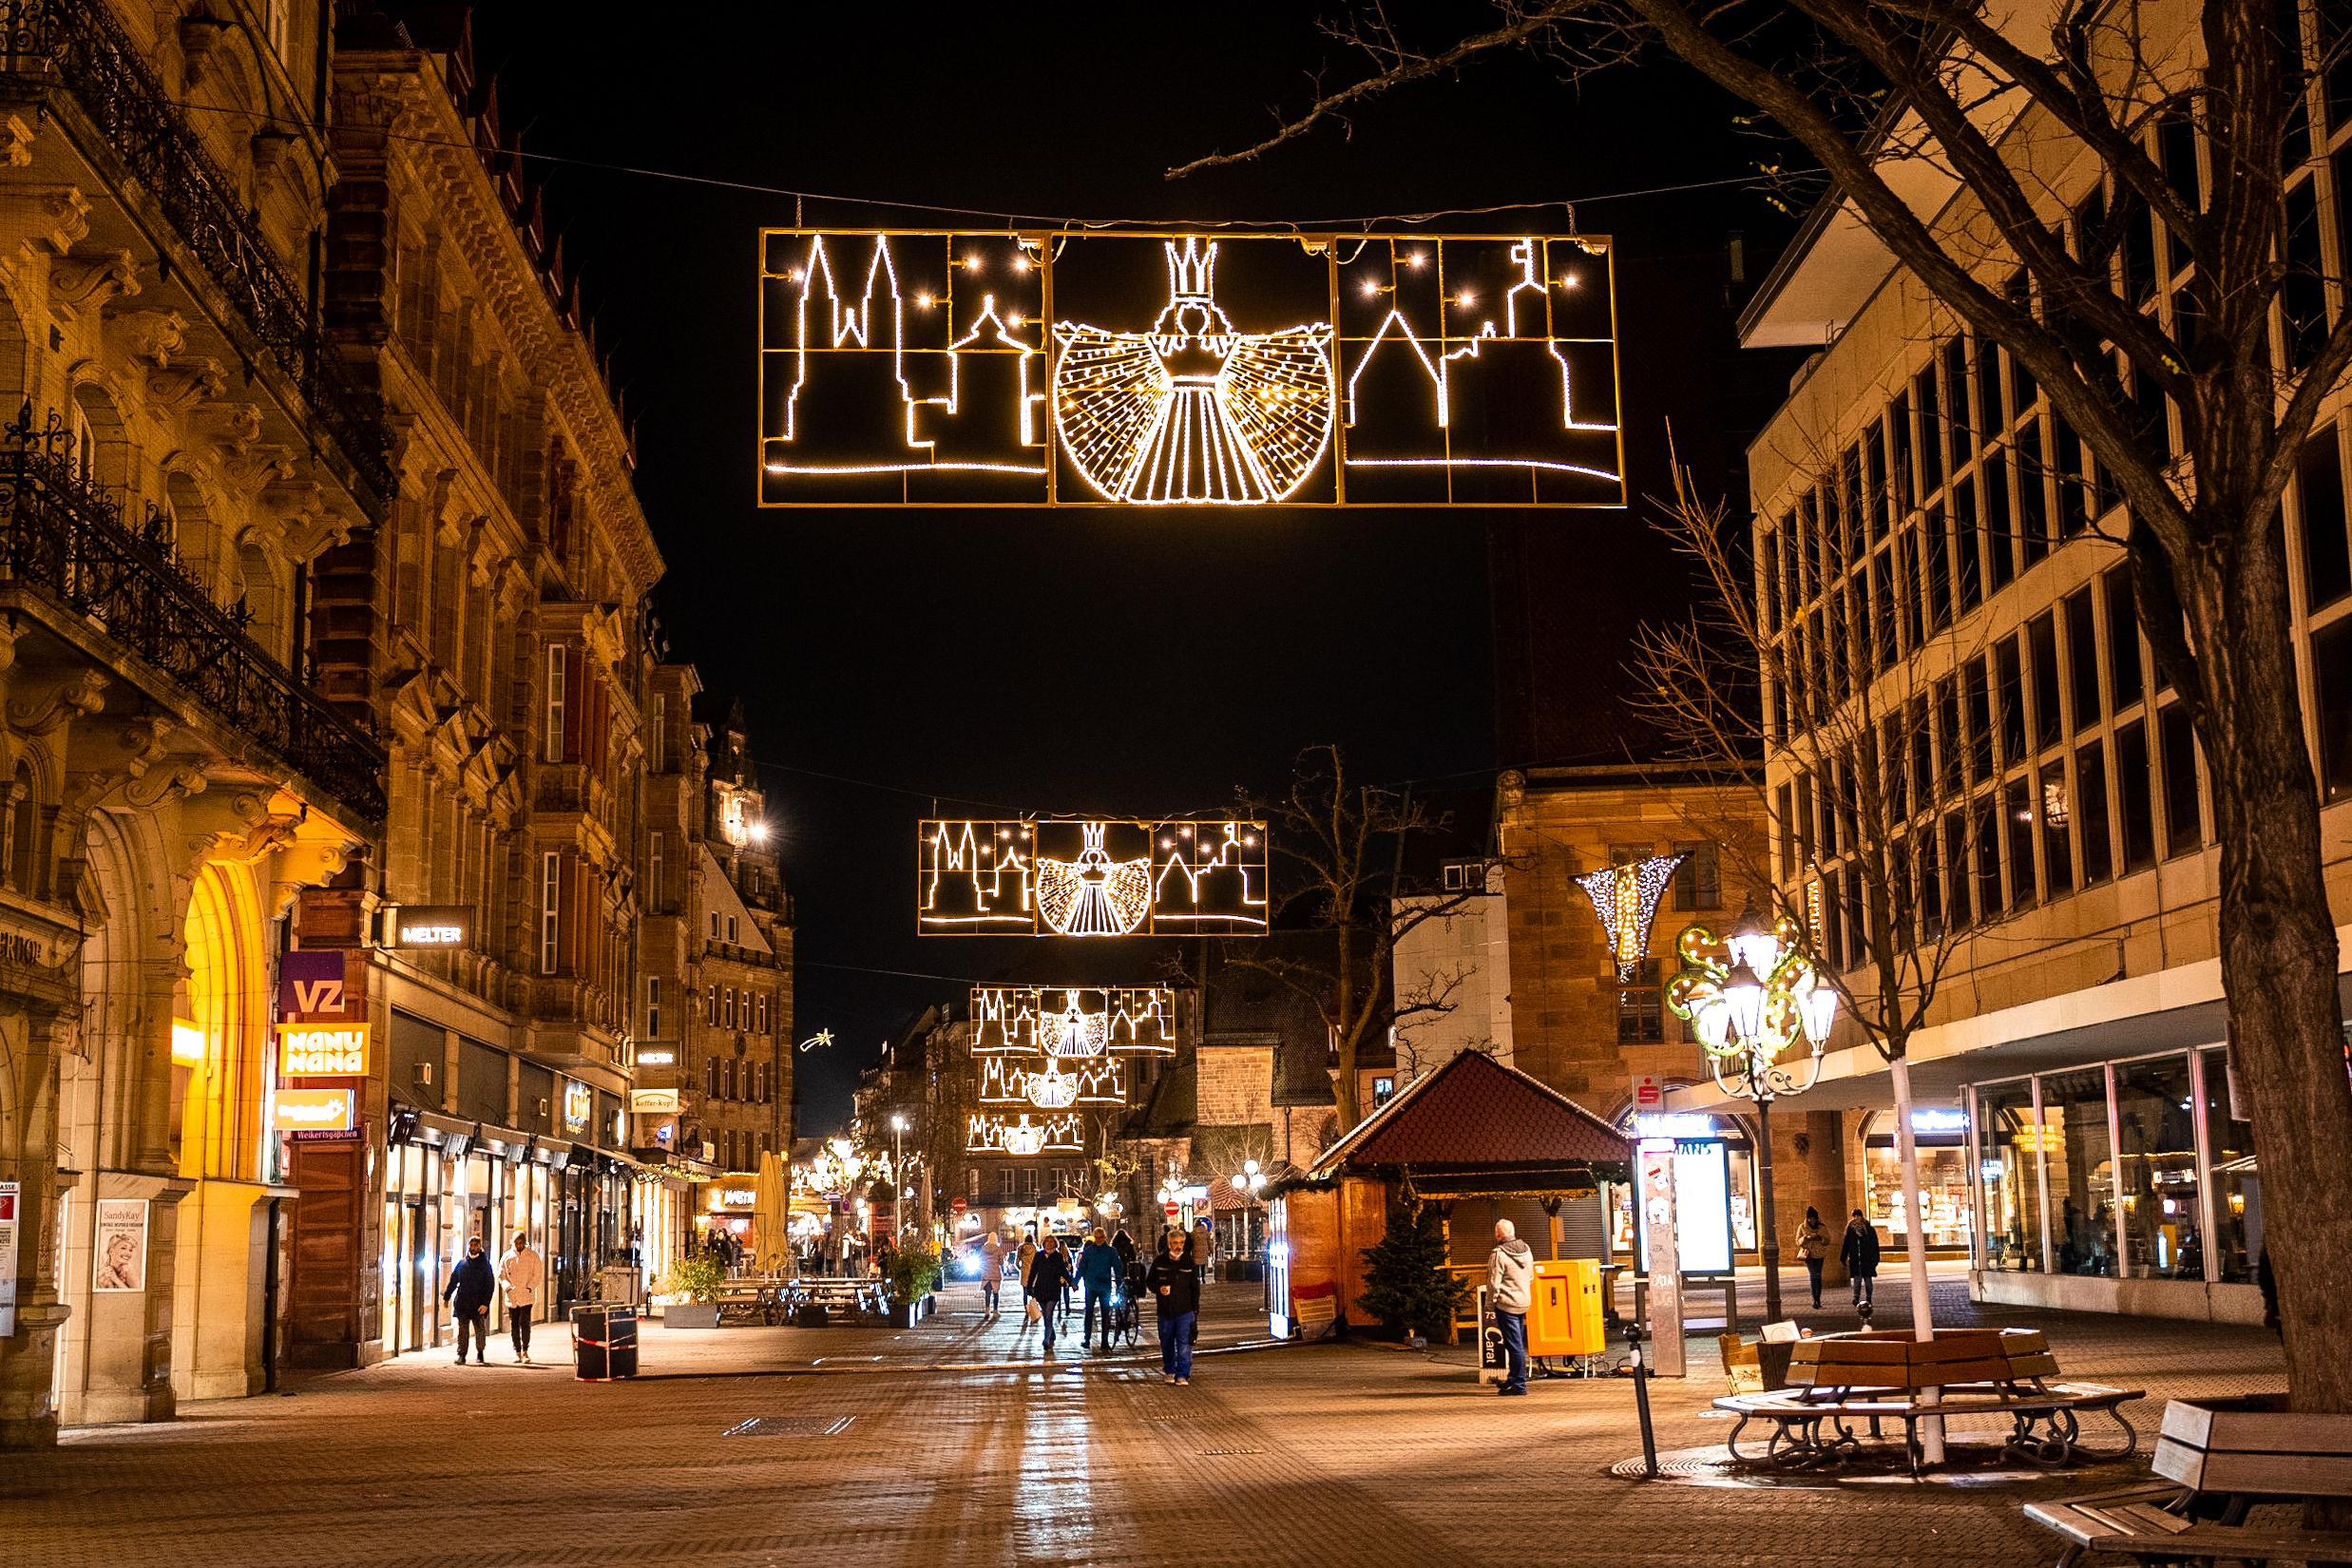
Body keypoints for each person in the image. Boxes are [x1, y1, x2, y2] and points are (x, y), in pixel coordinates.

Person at [1144, 1229, 1202, 1385]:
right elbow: (1150, 1281)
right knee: (1167, 1342)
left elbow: (1195, 1288)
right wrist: (1159, 1288)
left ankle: (1182, 1374)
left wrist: (1195, 1309)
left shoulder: (1189, 1263)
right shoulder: (1160, 1262)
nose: (1178, 1246)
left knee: (1184, 1343)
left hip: (1185, 1310)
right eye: (1175, 1243)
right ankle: (1170, 1370)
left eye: (1181, 1243)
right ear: (1169, 1244)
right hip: (1165, 1310)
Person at [1486, 1218, 1534, 1396]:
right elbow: (1530, 1277)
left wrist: (1490, 1305)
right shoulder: (1526, 1250)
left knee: (1514, 1346)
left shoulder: (1498, 1254)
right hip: (1523, 1302)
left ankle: (1519, 1385)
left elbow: (1493, 1283)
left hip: (1506, 1305)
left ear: (1498, 1234)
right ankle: (1513, 1378)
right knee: (1516, 1342)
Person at [445, 1236, 495, 1366]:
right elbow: (453, 1280)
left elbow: (490, 1285)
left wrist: (485, 1303)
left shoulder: (485, 1265)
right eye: (471, 1245)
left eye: (475, 1245)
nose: (473, 1248)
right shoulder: (462, 1264)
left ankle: (480, 1352)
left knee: (479, 1329)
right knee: (463, 1331)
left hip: (478, 1304)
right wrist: (447, 1296)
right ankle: (462, 1354)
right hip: (463, 1303)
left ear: (480, 1247)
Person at [497, 1231, 545, 1365]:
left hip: (526, 1296)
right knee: (514, 1325)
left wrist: (529, 1287)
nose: (518, 1245)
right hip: (512, 1297)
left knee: (525, 1323)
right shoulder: (507, 1257)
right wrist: (507, 1287)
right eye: (516, 1243)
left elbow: (537, 1274)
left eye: (521, 1243)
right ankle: (517, 1351)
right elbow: (501, 1275)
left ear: (524, 1243)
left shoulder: (532, 1256)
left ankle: (525, 1349)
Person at [1026, 1233, 1073, 1354]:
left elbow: (1064, 1271)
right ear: (1044, 1243)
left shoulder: (1058, 1256)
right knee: (1046, 1316)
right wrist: (1029, 1286)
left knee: (1048, 1315)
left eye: (1052, 1242)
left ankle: (1046, 1340)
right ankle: (1051, 1334)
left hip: (1053, 1290)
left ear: (1055, 1244)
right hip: (1040, 1290)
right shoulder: (1039, 1255)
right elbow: (1033, 1272)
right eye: (1047, 1242)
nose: (1049, 1244)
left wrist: (1072, 1283)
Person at [1077, 1227, 1120, 1349]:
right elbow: (1082, 1267)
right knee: (1089, 1312)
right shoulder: (1089, 1251)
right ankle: (1087, 1338)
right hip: (1091, 1285)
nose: (1099, 1239)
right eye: (1097, 1237)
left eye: (1101, 1237)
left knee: (1105, 1313)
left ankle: (1104, 1341)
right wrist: (1075, 1281)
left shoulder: (1111, 1251)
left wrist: (1118, 1278)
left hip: (1104, 1285)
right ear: (1094, 1238)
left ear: (1105, 1237)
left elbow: (1117, 1266)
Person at [1841, 1209, 1882, 1315]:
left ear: (1861, 1217)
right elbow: (1846, 1244)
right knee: (1857, 1280)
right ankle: (1856, 1297)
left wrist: (1876, 1258)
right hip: (1855, 1259)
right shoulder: (1850, 1229)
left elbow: (1874, 1245)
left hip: (1867, 1259)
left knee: (1868, 1280)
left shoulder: (1869, 1229)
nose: (1856, 1218)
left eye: (1858, 1216)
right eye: (1855, 1216)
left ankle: (1869, 1298)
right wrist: (1843, 1257)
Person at [1794, 1207, 1831, 1310]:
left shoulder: (1822, 1227)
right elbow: (1797, 1241)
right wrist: (1805, 1238)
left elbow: (1828, 1240)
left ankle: (1818, 1299)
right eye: (1810, 1218)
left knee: (1817, 1276)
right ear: (1807, 1218)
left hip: (1819, 1255)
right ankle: (1815, 1299)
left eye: (1814, 1218)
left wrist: (1820, 1238)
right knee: (1813, 1275)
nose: (1812, 1220)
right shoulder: (1802, 1227)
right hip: (1808, 1254)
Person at [979, 1230, 1007, 1315]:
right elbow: (1001, 1262)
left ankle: (987, 1310)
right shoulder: (998, 1249)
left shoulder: (983, 1248)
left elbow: (980, 1260)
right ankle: (995, 1311)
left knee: (987, 1293)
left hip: (986, 1273)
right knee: (995, 1293)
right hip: (995, 1274)